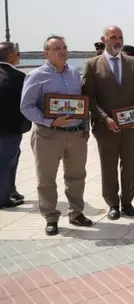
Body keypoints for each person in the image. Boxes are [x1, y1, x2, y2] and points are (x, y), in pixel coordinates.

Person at [20, 35, 93, 236]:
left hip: (76, 135)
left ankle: (76, 213)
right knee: (46, 179)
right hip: (47, 135)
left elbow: (82, 103)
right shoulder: (36, 76)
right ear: (46, 53)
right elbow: (26, 107)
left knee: (77, 176)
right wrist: (50, 121)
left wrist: (85, 127)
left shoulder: (74, 74)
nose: (62, 51)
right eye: (56, 48)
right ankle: (51, 216)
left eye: (64, 47)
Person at [82, 26, 134, 220]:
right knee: (108, 166)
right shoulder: (92, 64)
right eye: (113, 37)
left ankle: (127, 201)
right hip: (105, 127)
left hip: (130, 127)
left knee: (129, 164)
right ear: (104, 39)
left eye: (120, 37)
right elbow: (89, 97)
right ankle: (113, 204)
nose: (117, 41)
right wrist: (105, 118)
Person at [0, 42, 29, 208]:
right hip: (10, 129)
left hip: (8, 128)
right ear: (10, 56)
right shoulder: (17, 77)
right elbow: (25, 103)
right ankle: (3, 197)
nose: (19, 57)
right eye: (18, 54)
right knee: (7, 162)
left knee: (9, 159)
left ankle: (10, 190)